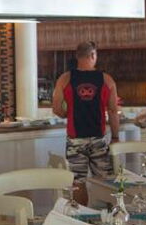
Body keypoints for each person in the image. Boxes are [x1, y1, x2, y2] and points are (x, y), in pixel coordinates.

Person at [51, 41, 121, 182]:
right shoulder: (107, 80)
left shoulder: (64, 79)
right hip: (98, 138)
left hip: (75, 139)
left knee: (78, 182)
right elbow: (113, 111)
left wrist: (69, 114)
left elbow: (57, 109)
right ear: (93, 55)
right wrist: (115, 137)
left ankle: (80, 198)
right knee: (105, 181)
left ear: (77, 56)